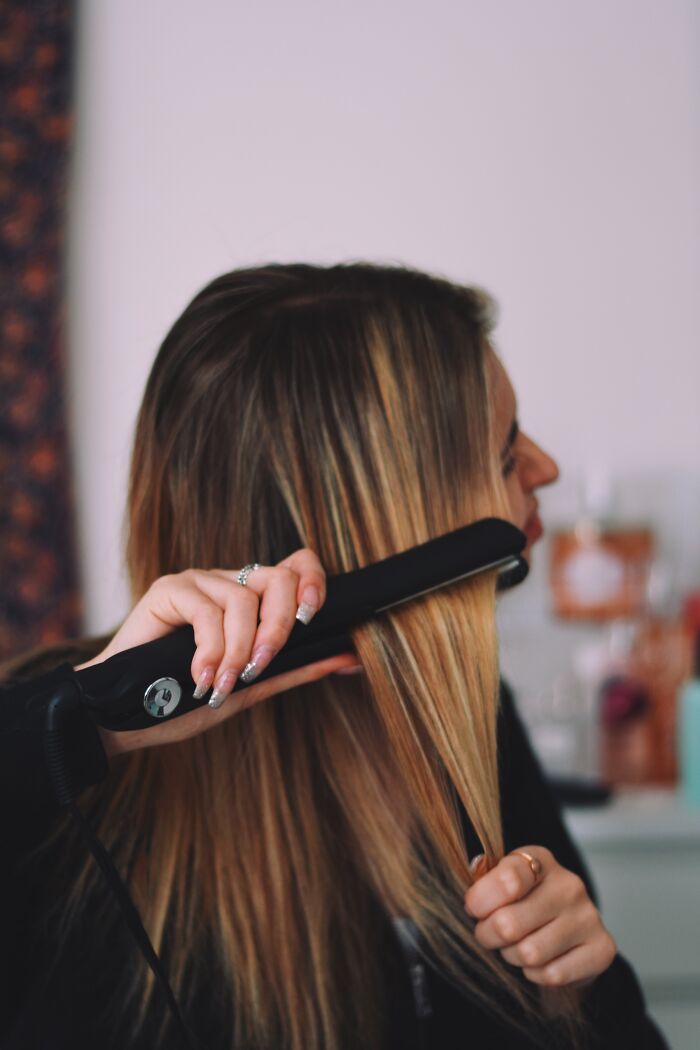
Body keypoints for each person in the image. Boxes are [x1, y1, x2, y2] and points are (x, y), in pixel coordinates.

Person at [0, 262, 669, 1050]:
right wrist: (88, 723)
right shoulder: (52, 761)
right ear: (379, 530)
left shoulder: (462, 718)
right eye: (503, 454)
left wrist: (578, 996)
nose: (545, 470)